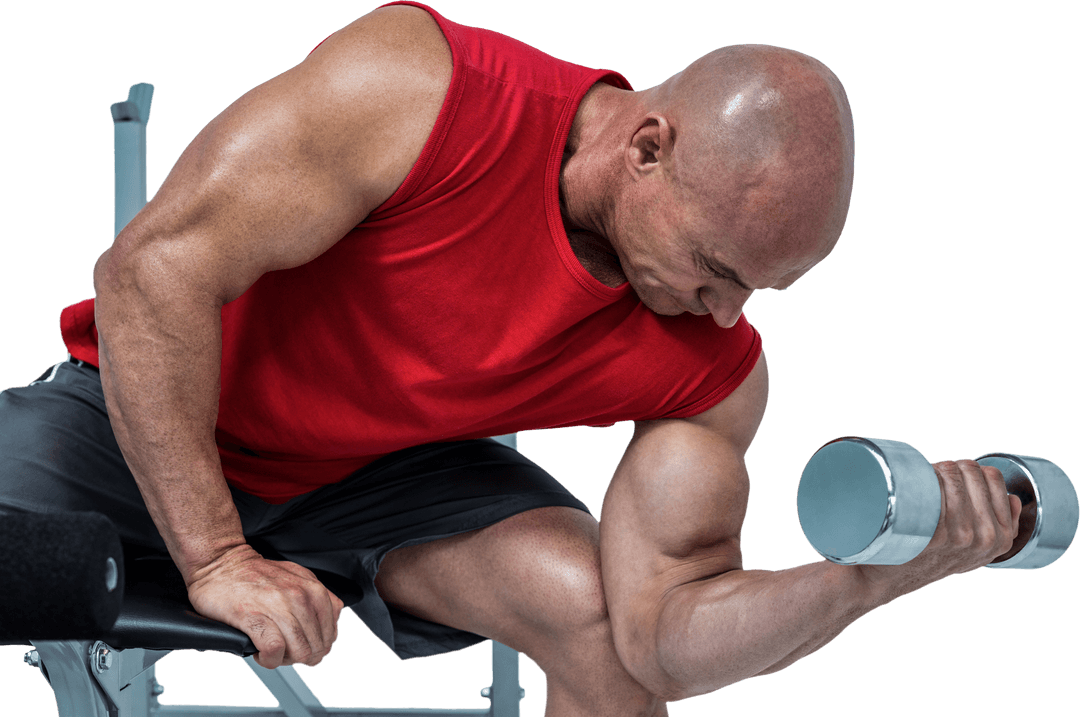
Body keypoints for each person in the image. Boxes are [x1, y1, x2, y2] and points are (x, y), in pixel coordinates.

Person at [0, 2, 1021, 715]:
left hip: (384, 475)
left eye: (759, 289)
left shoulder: (711, 368)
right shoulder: (417, 91)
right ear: (648, 148)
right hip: (141, 418)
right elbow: (151, 273)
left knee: (600, 625)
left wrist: (868, 581)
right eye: (715, 268)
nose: (725, 312)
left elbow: (660, 639)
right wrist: (218, 558)